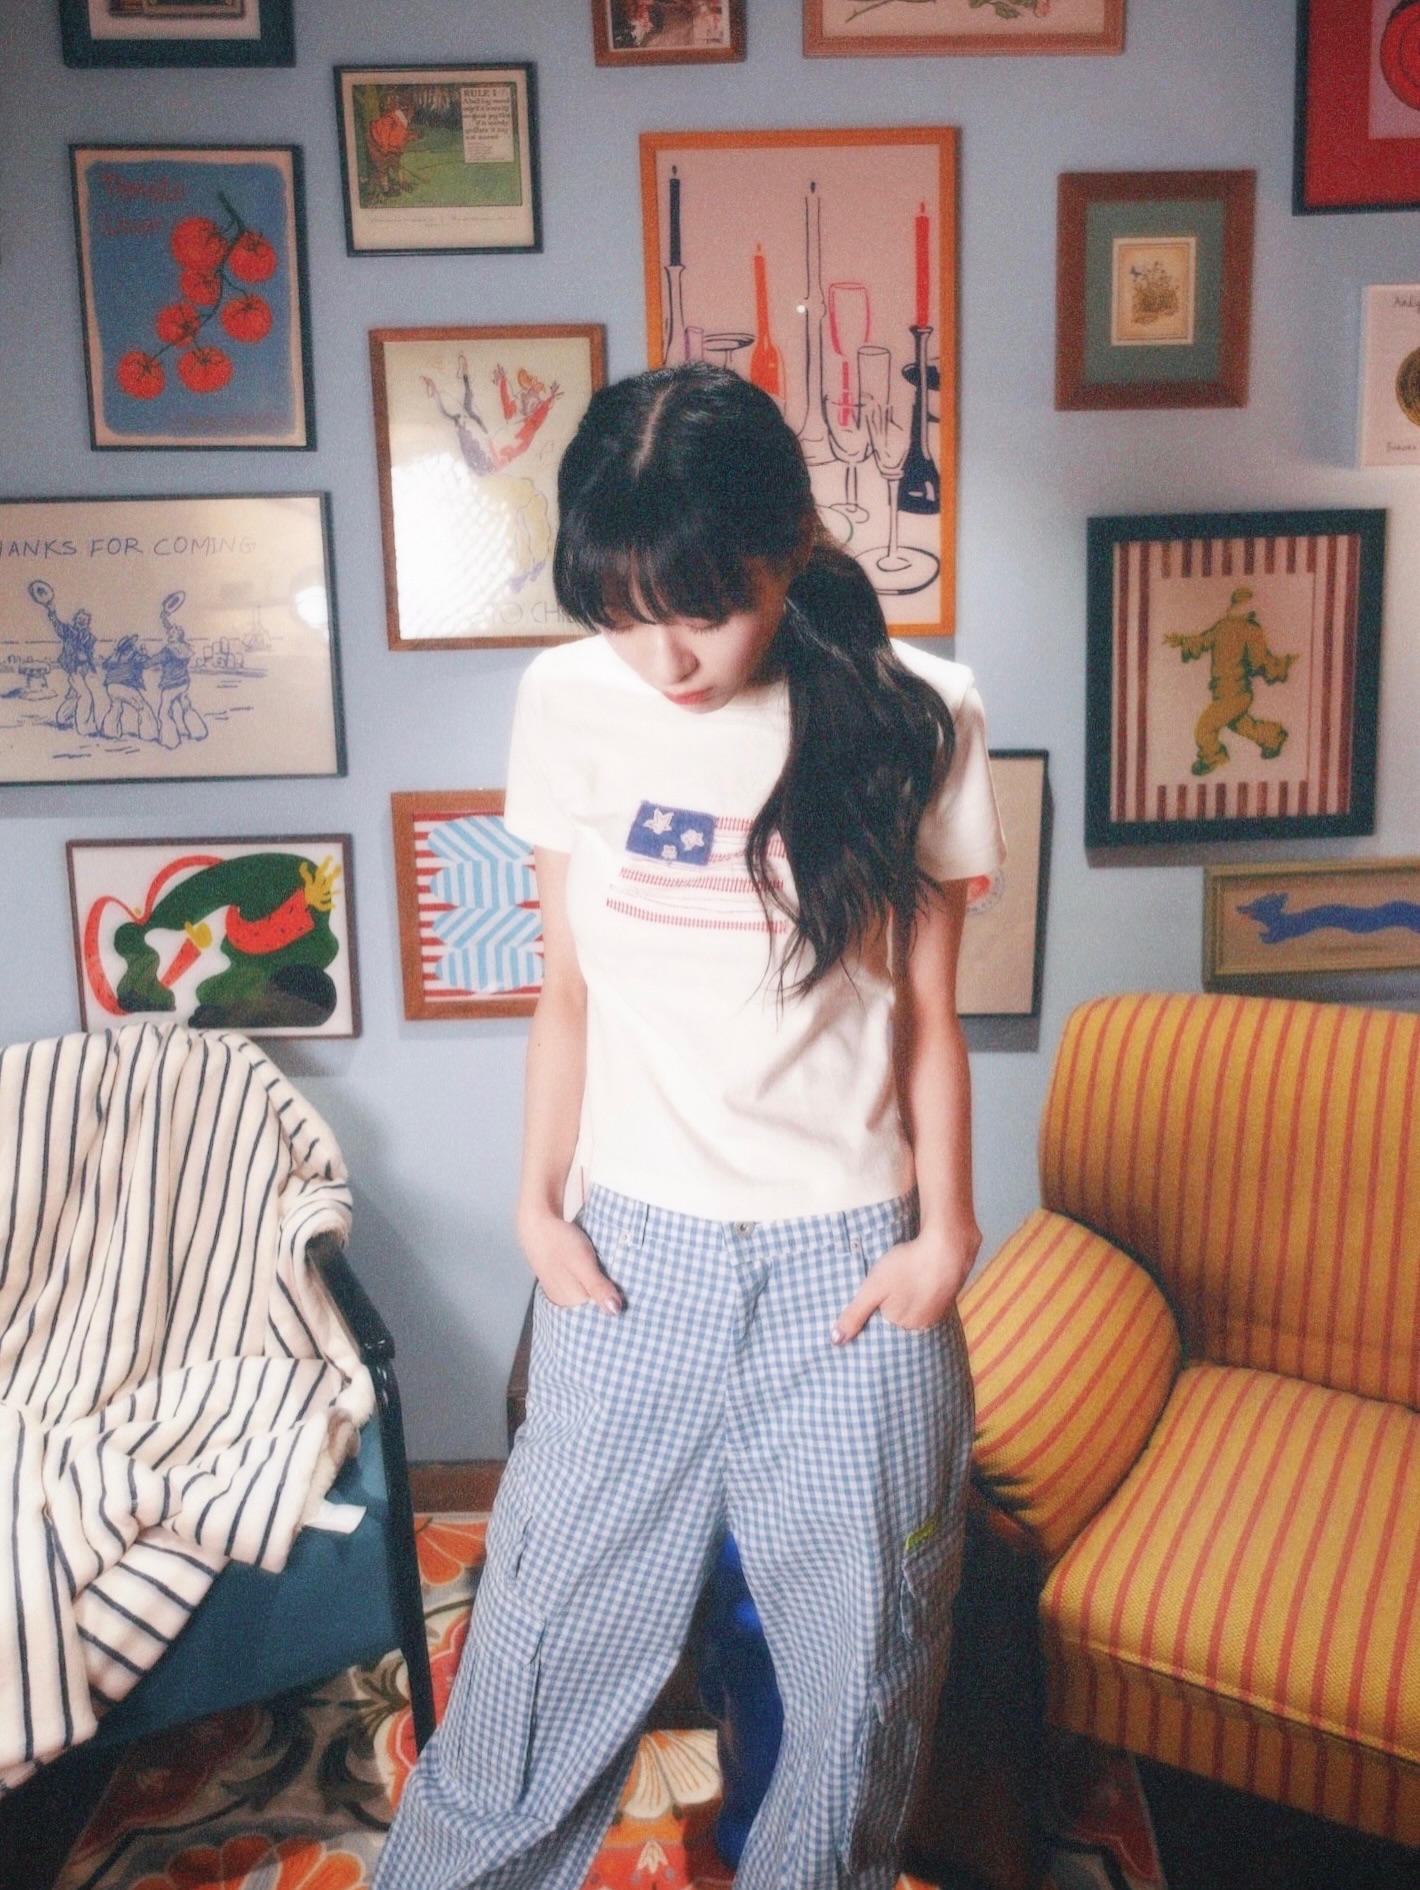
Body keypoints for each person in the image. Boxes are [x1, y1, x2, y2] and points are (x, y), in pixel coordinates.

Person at [374, 363, 1005, 1890]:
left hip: (850, 1274)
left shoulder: (920, 711)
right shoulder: (569, 702)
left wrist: (948, 1235)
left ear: (787, 550)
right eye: (622, 611)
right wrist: (537, 1207)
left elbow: (930, 1014)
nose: (665, 656)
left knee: (860, 1689)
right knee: (533, 1664)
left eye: (706, 610)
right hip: (630, 1260)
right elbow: (567, 994)